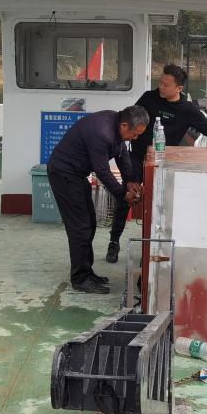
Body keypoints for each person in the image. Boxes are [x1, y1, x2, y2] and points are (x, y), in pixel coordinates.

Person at [106, 64, 207, 264]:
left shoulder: (188, 110)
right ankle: (114, 242)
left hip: (164, 162)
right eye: (160, 83)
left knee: (163, 203)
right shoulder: (148, 98)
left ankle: (158, 245)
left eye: (166, 85)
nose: (160, 87)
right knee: (127, 195)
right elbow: (129, 117)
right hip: (137, 157)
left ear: (179, 88)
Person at [47, 106, 148, 293]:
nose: (135, 139)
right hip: (64, 174)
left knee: (90, 223)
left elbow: (122, 155)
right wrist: (122, 193)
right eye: (134, 134)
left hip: (77, 175)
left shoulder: (116, 124)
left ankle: (86, 272)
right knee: (80, 226)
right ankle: (80, 279)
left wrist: (131, 181)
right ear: (125, 125)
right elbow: (102, 170)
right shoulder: (102, 133)